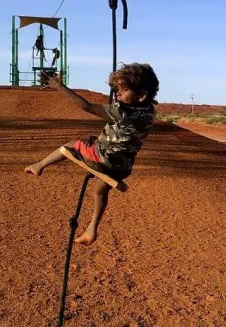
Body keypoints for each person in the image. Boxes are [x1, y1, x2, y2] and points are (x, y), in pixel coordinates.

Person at [24, 63, 159, 245]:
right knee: (101, 190)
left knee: (72, 145)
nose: (118, 93)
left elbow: (86, 106)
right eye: (117, 89)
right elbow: (123, 136)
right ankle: (92, 228)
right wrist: (98, 139)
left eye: (123, 90)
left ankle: (39, 165)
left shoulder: (121, 112)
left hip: (103, 159)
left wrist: (59, 86)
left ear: (141, 95)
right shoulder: (150, 111)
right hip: (122, 166)